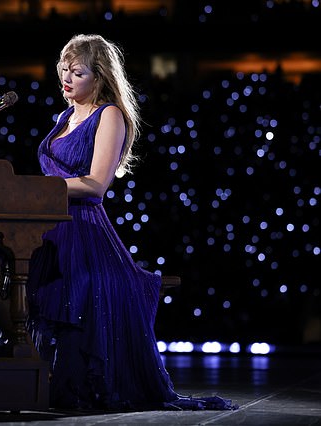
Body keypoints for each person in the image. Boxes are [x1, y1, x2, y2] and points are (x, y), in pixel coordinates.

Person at [27, 33, 237, 411]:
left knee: (80, 292)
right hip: (45, 228)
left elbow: (95, 183)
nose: (66, 77)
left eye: (77, 71)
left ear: (100, 77)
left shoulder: (109, 116)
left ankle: (75, 385)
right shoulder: (63, 117)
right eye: (63, 69)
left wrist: (42, 187)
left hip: (84, 229)